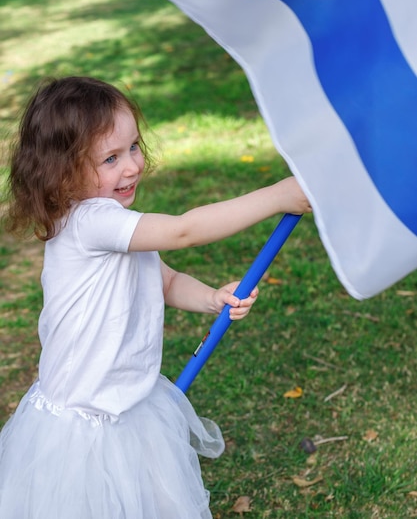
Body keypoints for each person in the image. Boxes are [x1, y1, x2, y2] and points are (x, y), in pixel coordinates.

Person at [0, 76, 311, 519]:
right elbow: (185, 229)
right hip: (81, 424)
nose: (131, 166)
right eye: (110, 158)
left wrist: (210, 298)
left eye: (133, 147)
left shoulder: (118, 226)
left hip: (130, 403)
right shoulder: (92, 221)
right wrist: (277, 196)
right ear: (63, 173)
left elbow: (164, 281)